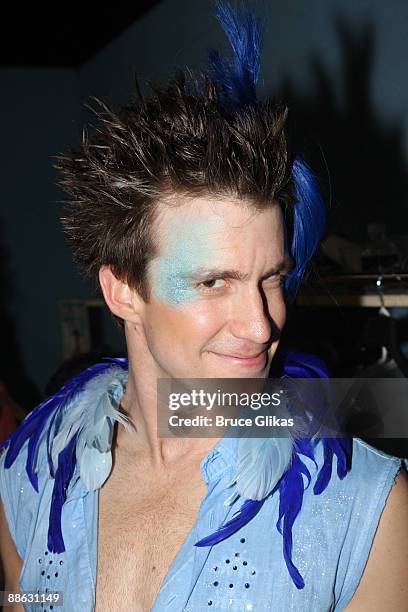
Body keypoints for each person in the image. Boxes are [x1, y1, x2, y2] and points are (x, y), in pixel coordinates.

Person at [1, 3, 407, 611]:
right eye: (215, 281)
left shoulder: (367, 513)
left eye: (271, 278)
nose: (262, 323)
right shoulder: (27, 478)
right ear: (123, 291)